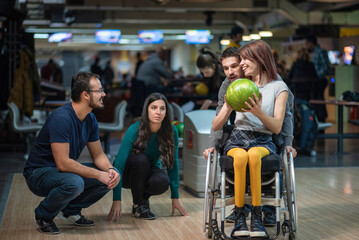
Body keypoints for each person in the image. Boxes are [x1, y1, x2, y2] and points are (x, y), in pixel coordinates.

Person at [23, 72, 121, 235]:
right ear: (85, 95)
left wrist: (110, 170)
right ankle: (43, 216)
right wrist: (98, 175)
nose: (104, 94)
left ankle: (70, 210)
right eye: (99, 90)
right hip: (38, 173)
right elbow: (63, 163)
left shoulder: (90, 119)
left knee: (111, 176)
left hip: (63, 172)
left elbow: (98, 155)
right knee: (75, 183)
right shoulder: (62, 118)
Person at [211, 40, 288, 238]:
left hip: (264, 139)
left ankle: (257, 217)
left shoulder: (279, 86)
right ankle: (239, 218)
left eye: (244, 59)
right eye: (240, 60)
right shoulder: (236, 84)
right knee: (240, 157)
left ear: (259, 59)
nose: (241, 64)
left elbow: (280, 123)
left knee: (254, 155)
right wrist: (228, 107)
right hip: (237, 137)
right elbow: (216, 122)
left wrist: (288, 142)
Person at [107, 93, 188, 223]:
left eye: (162, 108)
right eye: (153, 108)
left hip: (147, 171)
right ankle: (139, 205)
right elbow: (119, 165)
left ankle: (140, 203)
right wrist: (117, 200)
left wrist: (175, 198)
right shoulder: (135, 129)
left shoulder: (171, 131)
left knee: (162, 181)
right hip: (128, 173)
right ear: (147, 110)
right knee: (141, 159)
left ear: (166, 112)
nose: (158, 112)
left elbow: (173, 164)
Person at [305, 35, 330, 122]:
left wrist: (316, 76)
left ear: (311, 43)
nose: (306, 46)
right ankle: (317, 121)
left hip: (319, 81)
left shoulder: (320, 52)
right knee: (316, 102)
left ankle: (321, 119)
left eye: (306, 44)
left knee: (319, 102)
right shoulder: (313, 53)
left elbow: (326, 67)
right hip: (315, 81)